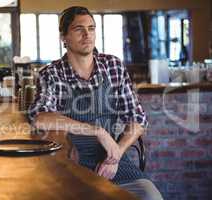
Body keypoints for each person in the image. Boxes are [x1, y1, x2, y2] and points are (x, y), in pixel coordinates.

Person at [28, 6, 163, 200]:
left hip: (115, 163)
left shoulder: (113, 66)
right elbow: (40, 118)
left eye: (91, 28)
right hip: (71, 164)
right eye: (78, 29)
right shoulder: (52, 74)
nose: (87, 35)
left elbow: (138, 118)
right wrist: (96, 130)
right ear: (63, 37)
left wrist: (116, 155)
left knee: (152, 196)